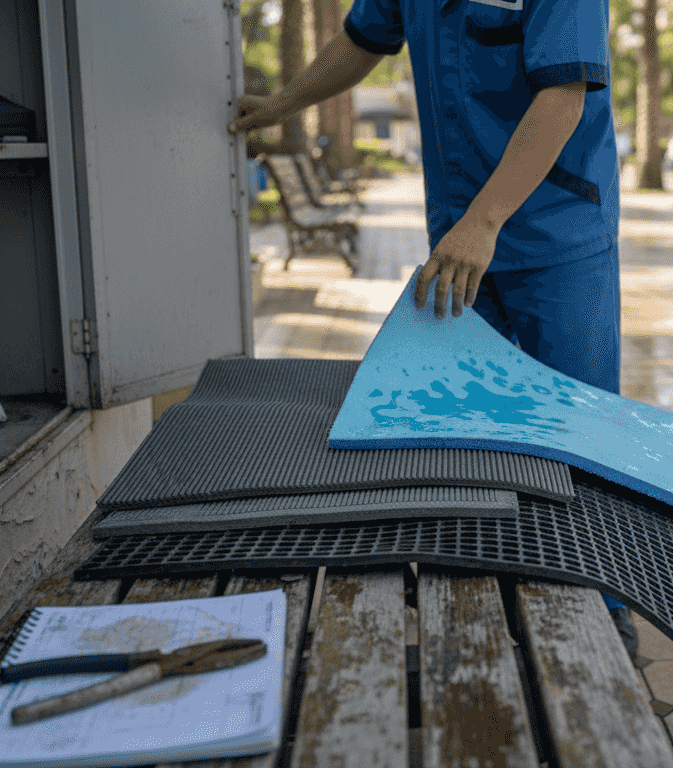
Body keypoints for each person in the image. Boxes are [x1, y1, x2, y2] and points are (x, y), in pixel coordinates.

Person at [229, 0, 635, 656]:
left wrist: (484, 222)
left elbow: (563, 95)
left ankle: (604, 611)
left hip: (557, 230)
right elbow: (362, 40)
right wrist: (283, 104)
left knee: (579, 434)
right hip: (460, 233)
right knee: (467, 433)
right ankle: (488, 602)